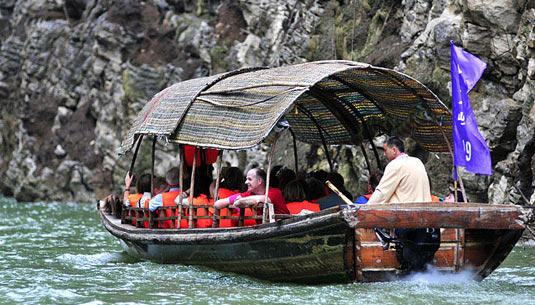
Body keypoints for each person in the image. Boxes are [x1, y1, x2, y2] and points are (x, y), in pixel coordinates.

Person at [214, 168, 289, 225]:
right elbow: (217, 204)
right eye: (246, 179)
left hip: (282, 224)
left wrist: (241, 201)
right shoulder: (249, 193)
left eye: (249, 179)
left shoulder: (275, 192)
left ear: (259, 181)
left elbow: (264, 199)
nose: (246, 182)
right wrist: (237, 201)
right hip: (265, 228)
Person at [367, 136, 431, 204]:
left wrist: (366, 208)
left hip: (405, 211)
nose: (384, 154)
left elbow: (383, 192)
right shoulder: (417, 162)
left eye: (385, 150)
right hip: (423, 209)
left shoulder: (395, 164)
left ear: (394, 150)